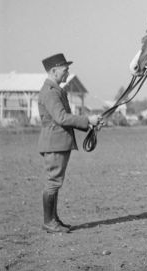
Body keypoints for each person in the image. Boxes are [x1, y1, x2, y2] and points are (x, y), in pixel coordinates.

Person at [37, 53, 101, 233]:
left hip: (57, 142)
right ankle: (49, 222)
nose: (67, 73)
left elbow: (64, 118)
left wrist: (90, 123)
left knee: (55, 182)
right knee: (53, 182)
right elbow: (62, 118)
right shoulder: (50, 92)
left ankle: (53, 220)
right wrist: (88, 119)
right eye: (65, 70)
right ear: (54, 71)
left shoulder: (55, 90)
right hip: (55, 143)